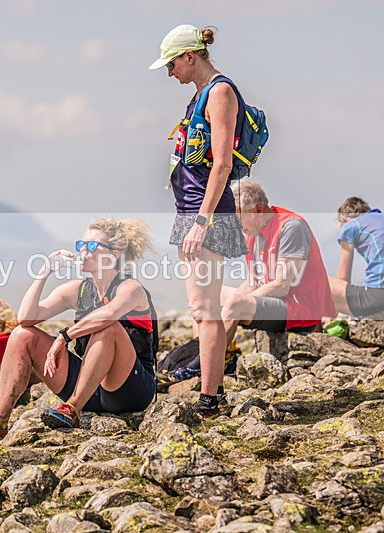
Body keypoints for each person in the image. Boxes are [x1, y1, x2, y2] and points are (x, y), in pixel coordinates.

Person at [0, 218, 156, 440]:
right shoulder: (78, 291)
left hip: (129, 390)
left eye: (92, 246)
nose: (83, 251)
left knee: (108, 327)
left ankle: (72, 408)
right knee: (22, 335)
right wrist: (45, 272)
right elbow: (25, 318)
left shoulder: (131, 288)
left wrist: (64, 337)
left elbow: (108, 315)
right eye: (81, 245)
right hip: (92, 390)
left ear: (114, 255)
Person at [149, 25, 249, 418]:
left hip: (205, 216)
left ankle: (210, 399)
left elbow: (222, 164)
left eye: (171, 64)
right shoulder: (200, 94)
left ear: (191, 56)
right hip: (191, 213)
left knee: (205, 309)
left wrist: (202, 222)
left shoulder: (220, 92)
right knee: (200, 309)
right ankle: (213, 393)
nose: (169, 72)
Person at [221, 181, 336, 341]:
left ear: (258, 210)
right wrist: (233, 301)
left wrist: (241, 302)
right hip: (273, 302)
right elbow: (254, 281)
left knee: (236, 305)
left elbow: (281, 286)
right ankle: (199, 352)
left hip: (301, 310)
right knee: (206, 298)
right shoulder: (252, 233)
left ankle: (211, 357)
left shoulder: (291, 227)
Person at [329, 197, 384, 317]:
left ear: (346, 219)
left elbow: (343, 280)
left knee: (320, 281)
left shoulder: (351, 225)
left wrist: (333, 315)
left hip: (380, 298)